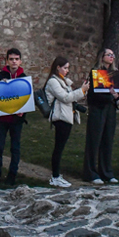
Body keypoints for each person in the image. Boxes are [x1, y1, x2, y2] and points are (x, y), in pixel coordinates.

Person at [44, 56, 89, 187]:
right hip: (60, 117)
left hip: (67, 116)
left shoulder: (63, 81)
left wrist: (82, 90)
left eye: (68, 68)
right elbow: (65, 98)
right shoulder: (53, 82)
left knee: (60, 147)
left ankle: (57, 175)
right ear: (58, 67)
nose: (67, 71)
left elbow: (71, 97)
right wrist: (82, 90)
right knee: (58, 147)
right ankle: (55, 177)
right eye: (65, 68)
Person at [83, 48, 119, 185]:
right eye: (108, 54)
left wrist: (116, 96)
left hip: (110, 110)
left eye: (113, 55)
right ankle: (91, 172)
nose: (111, 57)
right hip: (97, 109)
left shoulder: (115, 74)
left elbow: (117, 94)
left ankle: (107, 172)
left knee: (107, 141)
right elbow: (93, 95)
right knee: (94, 141)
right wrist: (110, 96)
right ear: (102, 57)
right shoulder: (95, 73)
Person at [0, 48, 27, 186]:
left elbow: (26, 99)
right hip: (1, 118)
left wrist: (23, 112)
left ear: (20, 61)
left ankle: (12, 174)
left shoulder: (23, 78)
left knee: (15, 148)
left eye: (16, 59)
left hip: (16, 120)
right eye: (11, 59)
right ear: (7, 61)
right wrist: (1, 85)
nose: (14, 62)